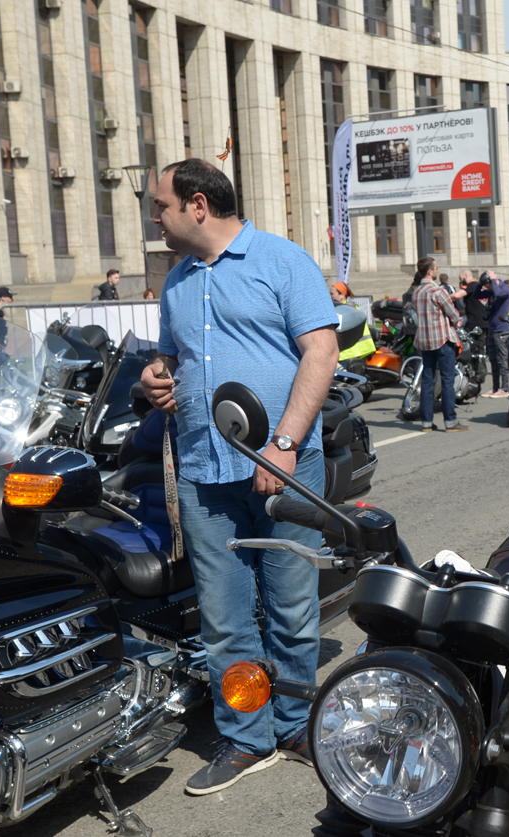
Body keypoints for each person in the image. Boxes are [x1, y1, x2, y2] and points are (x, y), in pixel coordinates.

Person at [137, 158, 338, 796]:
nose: (155, 219)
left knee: (291, 607)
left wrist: (284, 444)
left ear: (197, 205)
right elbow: (172, 360)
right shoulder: (176, 282)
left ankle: (296, 724)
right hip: (203, 468)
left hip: (283, 464)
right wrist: (156, 379)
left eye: (161, 206)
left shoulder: (282, 261)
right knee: (224, 619)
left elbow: (322, 352)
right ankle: (248, 736)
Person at [411, 258, 470, 432]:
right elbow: (453, 314)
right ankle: (450, 421)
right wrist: (457, 320)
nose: (437, 270)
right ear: (430, 271)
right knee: (447, 381)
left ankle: (426, 422)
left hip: (425, 341)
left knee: (427, 381)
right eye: (436, 268)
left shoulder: (416, 292)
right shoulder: (438, 291)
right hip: (442, 340)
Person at [472, 270, 509, 398]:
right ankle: (495, 388)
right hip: (492, 329)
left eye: (488, 286)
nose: (487, 289)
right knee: (493, 360)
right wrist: (481, 283)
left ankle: (505, 388)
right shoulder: (491, 290)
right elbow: (476, 295)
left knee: (502, 360)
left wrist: (493, 280)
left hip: (502, 330)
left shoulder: (505, 288)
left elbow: (498, 293)